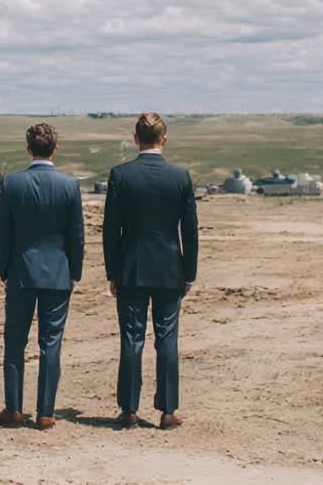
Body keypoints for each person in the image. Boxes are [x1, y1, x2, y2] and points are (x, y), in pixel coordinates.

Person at [102, 113, 199, 429]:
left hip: (131, 269)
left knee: (131, 338)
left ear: (135, 139)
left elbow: (110, 229)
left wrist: (112, 272)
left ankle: (129, 409)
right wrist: (190, 273)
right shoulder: (180, 177)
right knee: (167, 338)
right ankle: (168, 410)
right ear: (164, 140)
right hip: (170, 269)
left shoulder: (121, 175)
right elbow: (191, 231)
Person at [0, 123, 85, 431]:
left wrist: (3, 269)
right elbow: (77, 235)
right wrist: (75, 271)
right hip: (57, 273)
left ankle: (14, 408)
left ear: (28, 149)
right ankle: (46, 411)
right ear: (55, 149)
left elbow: (3, 233)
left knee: (14, 341)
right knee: (51, 342)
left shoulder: (12, 184)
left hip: (20, 271)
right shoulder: (69, 186)